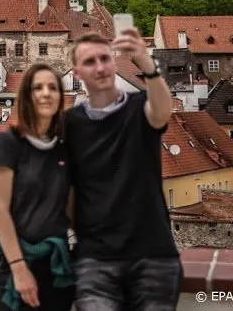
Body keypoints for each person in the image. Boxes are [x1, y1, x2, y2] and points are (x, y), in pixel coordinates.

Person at [65, 29, 182, 310]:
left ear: (115, 63)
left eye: (105, 58)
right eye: (90, 62)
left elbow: (163, 112)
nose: (101, 67)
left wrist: (146, 64)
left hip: (153, 253)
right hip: (95, 257)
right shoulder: (70, 124)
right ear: (77, 73)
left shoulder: (140, 107)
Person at [0, 63, 75, 311]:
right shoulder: (8, 143)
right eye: (38, 87)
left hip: (55, 263)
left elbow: (70, 209)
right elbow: (0, 210)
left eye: (53, 88)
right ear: (27, 96)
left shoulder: (63, 148)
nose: (46, 93)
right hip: (13, 261)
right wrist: (18, 267)